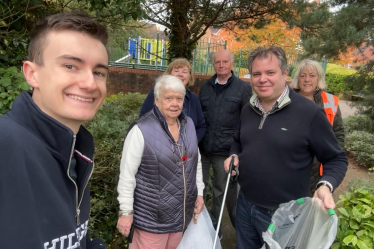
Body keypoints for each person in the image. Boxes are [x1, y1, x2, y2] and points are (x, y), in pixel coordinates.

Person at [0, 11, 108, 248]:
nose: (90, 83)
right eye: (71, 66)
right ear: (32, 74)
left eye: (99, 72)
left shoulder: (77, 147)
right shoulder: (5, 145)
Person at [224, 46, 348, 248]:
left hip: (283, 215)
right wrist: (233, 155)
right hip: (245, 204)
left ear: (285, 73)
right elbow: (238, 140)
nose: (262, 79)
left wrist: (325, 185)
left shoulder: (310, 113)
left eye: (270, 72)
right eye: (256, 74)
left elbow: (337, 159)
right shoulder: (248, 110)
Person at [116, 75, 205, 249]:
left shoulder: (189, 125)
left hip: (181, 218)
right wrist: (126, 212)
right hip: (152, 222)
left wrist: (199, 193)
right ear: (157, 100)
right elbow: (127, 175)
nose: (175, 103)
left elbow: (197, 163)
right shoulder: (141, 129)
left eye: (179, 99)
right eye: (169, 98)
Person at [199, 49, 252, 235]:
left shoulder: (243, 88)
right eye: (217, 62)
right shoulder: (205, 86)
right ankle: (199, 224)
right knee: (200, 187)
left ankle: (215, 226)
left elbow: (248, 120)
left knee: (220, 191)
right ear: (213, 64)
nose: (221, 65)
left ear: (231, 64)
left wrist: (240, 149)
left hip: (225, 150)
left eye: (225, 62)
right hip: (204, 148)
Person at [291, 59, 345, 195]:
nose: (307, 79)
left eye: (312, 75)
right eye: (303, 76)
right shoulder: (287, 99)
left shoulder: (330, 101)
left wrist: (332, 157)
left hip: (319, 169)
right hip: (291, 165)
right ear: (298, 79)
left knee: (311, 208)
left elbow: (338, 133)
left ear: (319, 78)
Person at [139, 58, 206, 142]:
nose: (180, 74)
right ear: (169, 74)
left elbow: (201, 126)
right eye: (176, 70)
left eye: (184, 72)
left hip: (186, 152)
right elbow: (144, 119)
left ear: (189, 77)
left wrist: (190, 143)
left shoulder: (193, 98)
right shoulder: (157, 93)